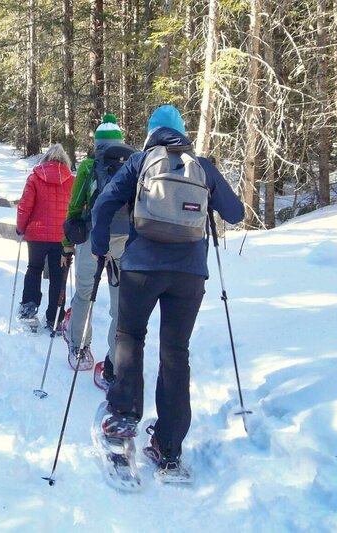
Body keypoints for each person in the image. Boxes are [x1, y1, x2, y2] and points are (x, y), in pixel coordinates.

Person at [89, 104, 245, 477]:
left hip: (142, 267)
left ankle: (125, 417)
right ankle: (169, 445)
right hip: (189, 275)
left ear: (151, 132)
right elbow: (236, 213)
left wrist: (99, 244)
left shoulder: (141, 161)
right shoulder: (201, 166)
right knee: (176, 352)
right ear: (182, 133)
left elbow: (106, 201)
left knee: (130, 337)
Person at [61, 114, 134, 382]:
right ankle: (113, 362)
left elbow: (74, 207)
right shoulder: (134, 165)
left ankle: (79, 349)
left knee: (84, 295)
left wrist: (67, 242)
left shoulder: (89, 167)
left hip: (93, 238)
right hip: (124, 242)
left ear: (97, 142)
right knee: (119, 303)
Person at [16, 144, 74, 333]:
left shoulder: (34, 178)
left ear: (46, 158)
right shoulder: (71, 180)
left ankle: (28, 309)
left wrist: (20, 228)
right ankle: (55, 317)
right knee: (59, 276)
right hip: (62, 237)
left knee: (34, 269)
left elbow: (25, 206)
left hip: (37, 235)